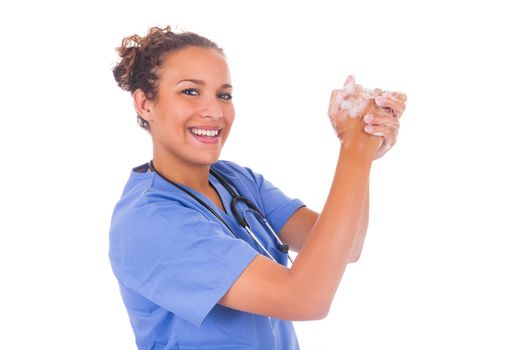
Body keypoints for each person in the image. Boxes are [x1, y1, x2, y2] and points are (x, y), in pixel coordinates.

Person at [109, 26, 406, 350]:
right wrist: (354, 149)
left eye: (224, 95)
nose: (213, 111)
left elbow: (347, 248)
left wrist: (365, 140)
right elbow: (306, 297)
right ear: (145, 104)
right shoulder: (150, 221)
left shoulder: (235, 180)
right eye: (190, 92)